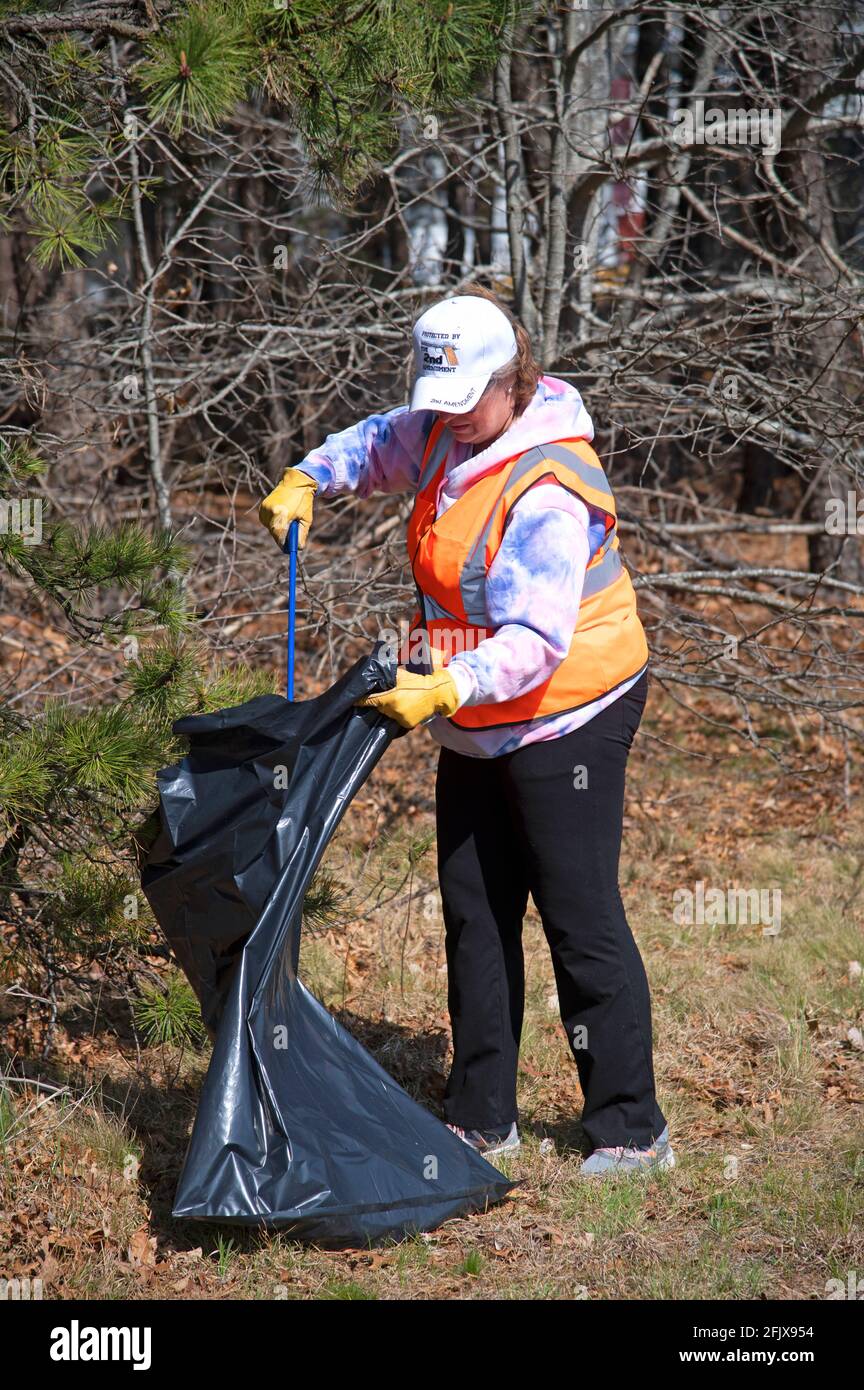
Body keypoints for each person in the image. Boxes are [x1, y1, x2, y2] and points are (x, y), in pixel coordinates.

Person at [259, 287, 673, 1176]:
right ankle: (483, 1116)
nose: (448, 420)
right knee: (475, 909)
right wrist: (312, 474)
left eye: (464, 402)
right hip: (472, 708)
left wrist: (447, 683)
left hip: (570, 708)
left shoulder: (547, 493)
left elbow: (534, 643)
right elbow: (379, 443)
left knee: (577, 913)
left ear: (513, 381)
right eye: (436, 402)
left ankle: (631, 1129)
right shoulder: (450, 425)